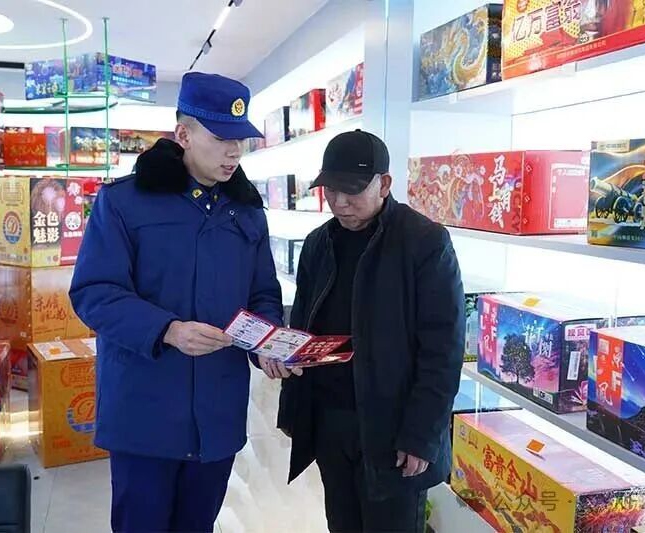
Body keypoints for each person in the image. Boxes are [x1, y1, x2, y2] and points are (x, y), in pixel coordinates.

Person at [69, 72, 286, 533]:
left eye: (240, 140)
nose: (234, 151)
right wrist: (166, 330)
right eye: (221, 138)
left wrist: (267, 342)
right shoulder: (125, 202)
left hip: (218, 410)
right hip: (145, 409)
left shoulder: (247, 211)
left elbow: (263, 293)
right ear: (183, 135)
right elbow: (94, 292)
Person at [277, 130, 465, 533]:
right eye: (331, 190)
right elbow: (305, 324)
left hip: (392, 429)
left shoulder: (425, 243)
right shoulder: (318, 244)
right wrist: (285, 360)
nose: (340, 202)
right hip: (330, 421)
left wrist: (421, 434)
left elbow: (443, 350)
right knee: (341, 524)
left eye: (352, 190)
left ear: (384, 183)